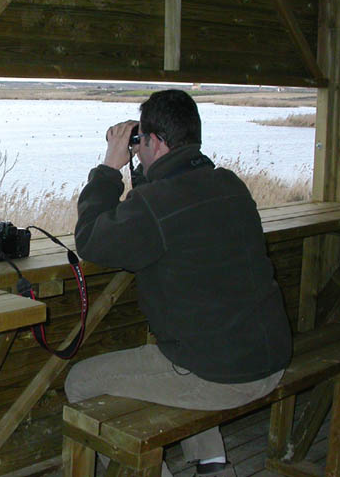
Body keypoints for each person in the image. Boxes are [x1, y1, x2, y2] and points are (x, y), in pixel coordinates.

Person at [65, 89, 292, 477]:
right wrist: (140, 172)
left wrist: (109, 169)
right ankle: (214, 465)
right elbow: (163, 217)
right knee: (178, 356)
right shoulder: (229, 184)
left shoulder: (155, 205)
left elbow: (90, 241)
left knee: (80, 382)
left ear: (152, 141)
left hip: (226, 375)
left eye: (141, 143)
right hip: (269, 357)